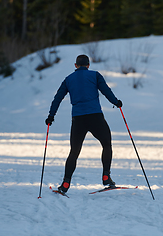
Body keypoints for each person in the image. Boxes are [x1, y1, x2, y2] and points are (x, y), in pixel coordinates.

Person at [45, 54, 122, 194]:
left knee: (74, 152)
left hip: (78, 119)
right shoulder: (95, 75)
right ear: (88, 65)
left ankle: (65, 184)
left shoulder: (68, 79)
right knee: (106, 144)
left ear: (76, 65)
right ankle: (106, 177)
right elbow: (106, 91)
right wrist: (116, 102)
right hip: (96, 118)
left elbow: (57, 98)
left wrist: (51, 116)